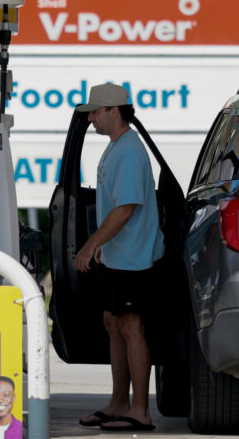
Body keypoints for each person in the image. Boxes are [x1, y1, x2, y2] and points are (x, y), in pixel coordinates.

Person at [73, 83, 161, 433]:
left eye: (95, 111)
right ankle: (118, 402)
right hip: (117, 256)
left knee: (131, 326)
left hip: (133, 257)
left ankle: (140, 409)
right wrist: (101, 247)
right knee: (114, 324)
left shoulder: (127, 152)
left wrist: (90, 244)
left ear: (114, 111)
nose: (91, 117)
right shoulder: (116, 147)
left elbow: (125, 209)